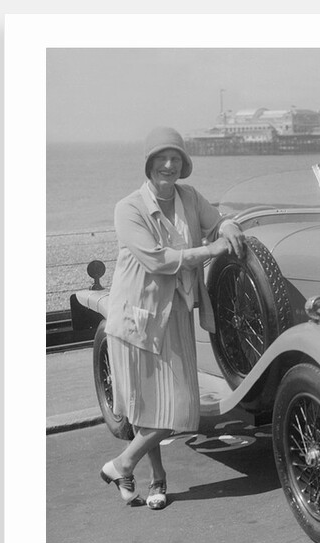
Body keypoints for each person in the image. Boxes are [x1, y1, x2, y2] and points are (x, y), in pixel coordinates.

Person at [99, 126, 248, 509]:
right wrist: (213, 249)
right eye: (162, 158)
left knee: (177, 406)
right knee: (151, 407)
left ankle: (132, 469)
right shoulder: (128, 208)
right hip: (137, 316)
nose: (169, 165)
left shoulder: (190, 197)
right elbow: (159, 260)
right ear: (149, 164)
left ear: (183, 165)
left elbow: (217, 222)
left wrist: (228, 226)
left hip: (176, 311)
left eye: (176, 158)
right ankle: (139, 470)